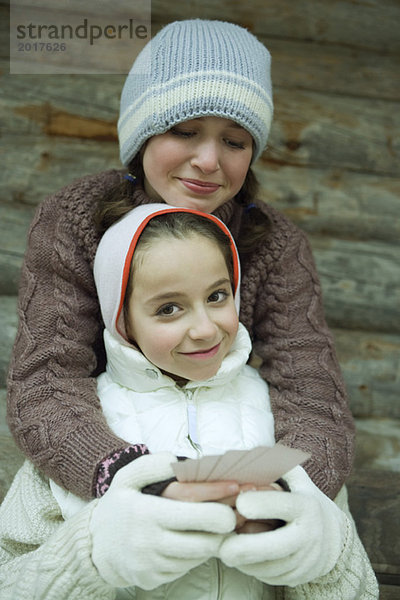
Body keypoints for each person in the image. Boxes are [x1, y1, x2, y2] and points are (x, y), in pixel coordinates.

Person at [6, 19, 355, 505]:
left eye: (234, 141)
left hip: (236, 463)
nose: (208, 160)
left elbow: (313, 394)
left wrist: (278, 494)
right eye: (185, 131)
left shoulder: (274, 243)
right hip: (109, 478)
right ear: (141, 133)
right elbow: (48, 379)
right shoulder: (76, 220)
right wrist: (137, 482)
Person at [0, 205, 378, 599]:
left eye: (217, 296)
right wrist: (90, 555)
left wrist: (328, 556)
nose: (204, 328)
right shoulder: (78, 430)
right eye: (168, 308)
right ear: (122, 319)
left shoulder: (288, 424)